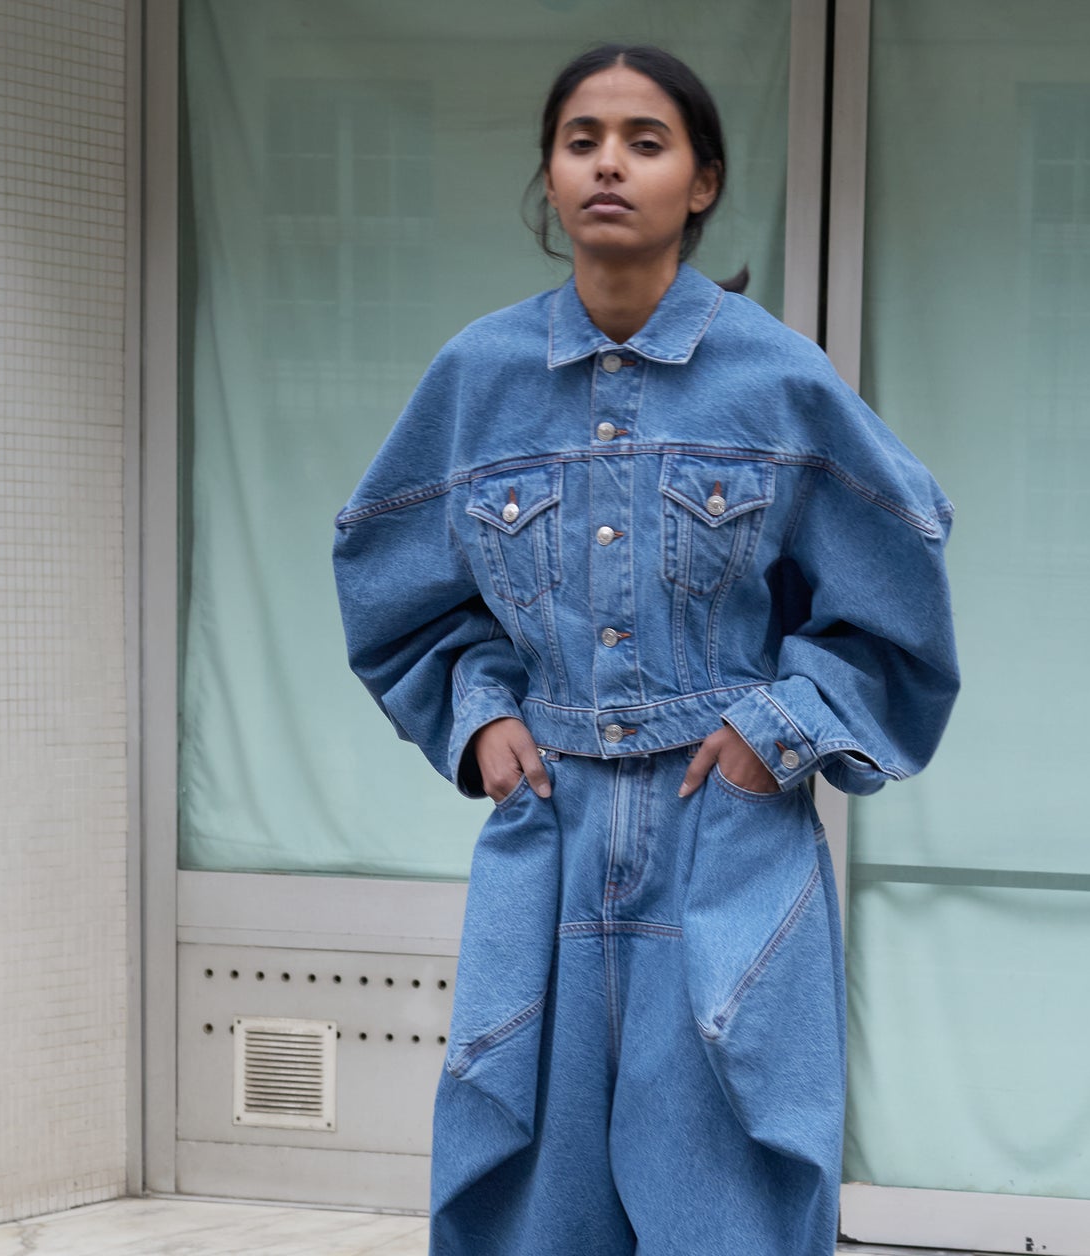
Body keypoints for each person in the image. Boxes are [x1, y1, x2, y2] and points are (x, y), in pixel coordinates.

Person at [331, 41, 959, 1255]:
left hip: (723, 837)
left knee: (731, 1174)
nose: (609, 164)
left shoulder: (774, 376)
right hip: (548, 833)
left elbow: (900, 570)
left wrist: (771, 731)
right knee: (523, 1182)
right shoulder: (478, 378)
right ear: (551, 177)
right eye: (582, 140)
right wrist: (483, 717)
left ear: (704, 180)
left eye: (645, 140)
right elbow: (388, 574)